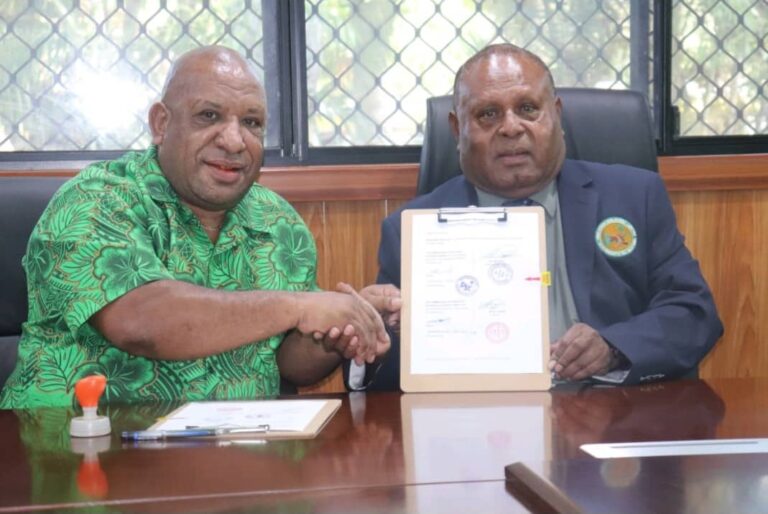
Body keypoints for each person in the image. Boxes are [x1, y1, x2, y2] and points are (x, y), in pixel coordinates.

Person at [0, 46, 392, 409]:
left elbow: (289, 366)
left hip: (242, 457)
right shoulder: (97, 199)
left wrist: (341, 329)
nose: (235, 140)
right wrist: (299, 306)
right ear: (161, 123)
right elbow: (141, 323)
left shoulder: (280, 224)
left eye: (252, 122)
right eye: (209, 116)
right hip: (82, 454)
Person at [350, 43, 722, 391]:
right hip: (472, 425)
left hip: (610, 417)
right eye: (488, 114)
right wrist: (376, 335)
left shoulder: (633, 196)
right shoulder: (413, 228)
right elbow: (392, 376)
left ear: (556, 115)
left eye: (528, 108)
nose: (511, 127)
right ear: (456, 129)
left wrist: (613, 347)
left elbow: (694, 315)